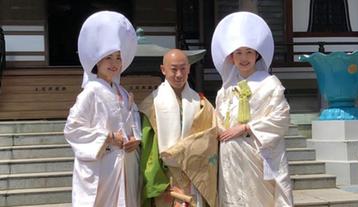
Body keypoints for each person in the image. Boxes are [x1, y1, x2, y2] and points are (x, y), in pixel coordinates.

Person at [211, 12, 293, 207]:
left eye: (249, 52)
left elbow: (281, 118)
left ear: (257, 55)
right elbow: (218, 122)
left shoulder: (270, 84)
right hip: (230, 158)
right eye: (238, 53)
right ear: (231, 57)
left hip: (257, 155)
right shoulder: (225, 90)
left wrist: (246, 128)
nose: (244, 58)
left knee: (258, 200)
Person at [64, 11, 141, 207]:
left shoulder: (123, 92)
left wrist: (134, 139)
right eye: (108, 58)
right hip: (103, 167)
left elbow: (134, 123)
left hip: (125, 166)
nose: (114, 63)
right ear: (97, 61)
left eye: (118, 58)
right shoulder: (91, 92)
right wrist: (107, 136)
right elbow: (72, 129)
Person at [139, 49, 218, 207]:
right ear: (163, 69)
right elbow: (149, 150)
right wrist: (160, 185)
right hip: (166, 178)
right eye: (174, 69)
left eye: (183, 69)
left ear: (189, 68)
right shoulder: (152, 104)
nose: (179, 74)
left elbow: (210, 141)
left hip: (195, 177)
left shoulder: (201, 103)